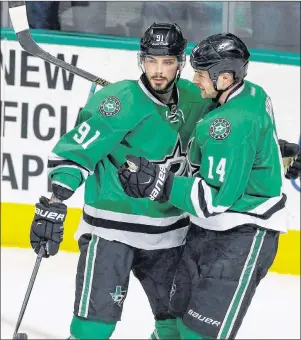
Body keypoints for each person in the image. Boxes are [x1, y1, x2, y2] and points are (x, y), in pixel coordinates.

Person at [29, 23, 214, 340]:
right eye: (151, 61)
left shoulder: (196, 99)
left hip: (170, 237)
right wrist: (56, 201)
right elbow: (75, 153)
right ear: (141, 60)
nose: (158, 70)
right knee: (92, 330)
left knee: (176, 331)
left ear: (180, 63)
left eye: (167, 62)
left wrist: (279, 149)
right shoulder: (116, 102)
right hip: (110, 233)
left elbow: (232, 135)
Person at [118, 33, 301, 339]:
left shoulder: (229, 123)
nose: (195, 80)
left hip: (241, 235)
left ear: (225, 77)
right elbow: (251, 145)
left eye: (201, 75)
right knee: (172, 327)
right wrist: (282, 149)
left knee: (198, 335)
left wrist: (158, 182)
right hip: (204, 231)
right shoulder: (252, 94)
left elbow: (212, 199)